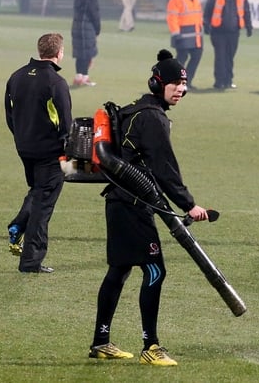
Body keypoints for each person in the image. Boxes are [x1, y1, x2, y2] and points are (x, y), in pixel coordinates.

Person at [88, 49, 210, 366]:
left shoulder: (135, 111)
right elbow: (165, 169)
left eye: (184, 84)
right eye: (175, 84)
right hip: (132, 205)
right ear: (158, 84)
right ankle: (151, 346)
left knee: (120, 269)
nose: (181, 90)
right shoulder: (153, 118)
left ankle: (101, 341)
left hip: (119, 202)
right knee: (155, 269)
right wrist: (190, 205)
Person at [4, 33, 71, 273]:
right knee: (44, 203)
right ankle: (31, 261)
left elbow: (10, 116)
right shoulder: (56, 82)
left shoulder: (16, 77)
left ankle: (18, 224)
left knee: (38, 191)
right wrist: (67, 150)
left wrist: (22, 138)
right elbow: (65, 122)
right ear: (59, 53)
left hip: (25, 148)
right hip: (50, 152)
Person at [203, 0, 252, 90]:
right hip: (218, 31)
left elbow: (246, 10)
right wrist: (206, 24)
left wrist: (249, 26)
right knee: (220, 56)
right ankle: (219, 81)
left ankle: (228, 81)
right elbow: (208, 9)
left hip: (234, 31)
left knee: (230, 57)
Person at [166, 0, 203, 89]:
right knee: (182, 58)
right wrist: (175, 33)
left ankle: (187, 82)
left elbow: (198, 15)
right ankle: (174, 81)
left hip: (195, 35)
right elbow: (172, 17)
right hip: (183, 35)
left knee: (196, 57)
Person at [71, 0, 101, 87]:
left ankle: (79, 77)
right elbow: (95, 16)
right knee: (87, 54)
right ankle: (85, 77)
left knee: (80, 54)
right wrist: (97, 30)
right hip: (87, 29)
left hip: (77, 28)